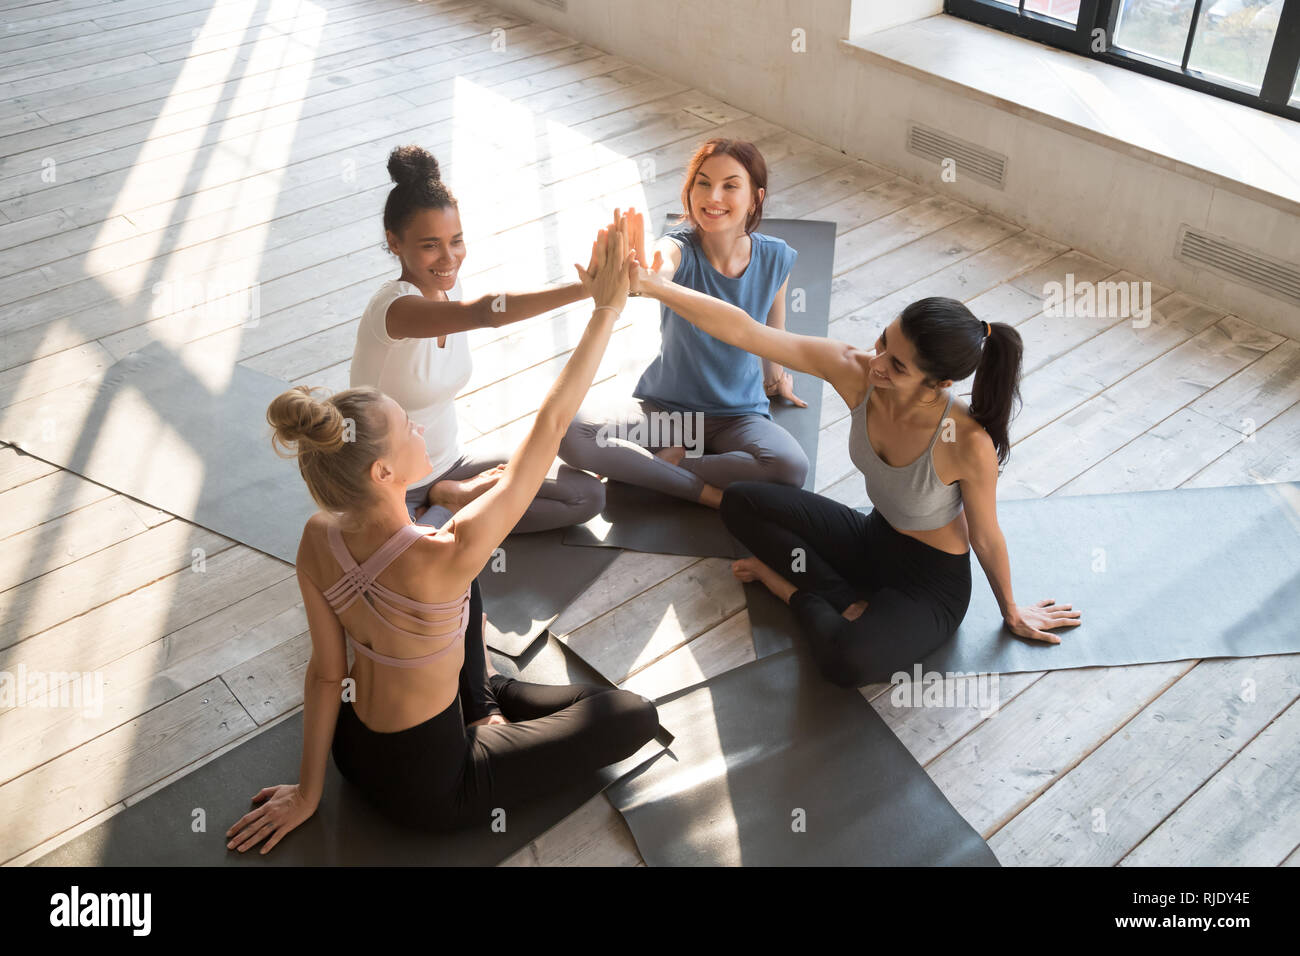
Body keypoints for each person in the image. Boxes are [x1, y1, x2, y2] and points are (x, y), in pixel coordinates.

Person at [226, 216, 657, 853]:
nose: (422, 432)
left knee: (461, 601)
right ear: (382, 471)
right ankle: (484, 712)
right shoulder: (444, 553)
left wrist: (308, 792)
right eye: (409, 429)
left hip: (354, 753)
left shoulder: (318, 536)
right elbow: (552, 420)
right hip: (436, 786)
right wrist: (607, 310)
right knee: (632, 714)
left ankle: (482, 702)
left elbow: (325, 676)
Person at [628, 250, 1082, 687]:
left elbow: (985, 535)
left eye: (897, 366)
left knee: (845, 663)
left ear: (939, 383)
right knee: (741, 502)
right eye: (883, 340)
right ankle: (844, 599)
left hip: (928, 584)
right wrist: (654, 286)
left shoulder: (966, 442)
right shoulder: (856, 370)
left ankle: (789, 588)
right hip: (873, 539)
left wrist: (1012, 609)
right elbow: (746, 331)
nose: (877, 364)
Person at [352, 144, 607, 530]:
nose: (448, 258)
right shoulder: (396, 310)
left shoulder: (448, 287)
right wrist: (588, 289)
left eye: (455, 240)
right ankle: (449, 510)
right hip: (391, 491)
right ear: (394, 243)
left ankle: (449, 504)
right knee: (408, 560)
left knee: (586, 495)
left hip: (452, 465)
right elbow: (487, 312)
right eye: (429, 245)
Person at [559, 138, 810, 510]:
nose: (713, 197)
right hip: (669, 413)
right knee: (572, 435)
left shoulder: (776, 257)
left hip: (738, 417)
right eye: (703, 183)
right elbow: (660, 262)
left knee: (790, 466)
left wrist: (775, 378)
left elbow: (774, 330)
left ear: (755, 198)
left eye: (730, 185)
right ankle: (699, 488)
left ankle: (670, 465)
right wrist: (644, 271)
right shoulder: (679, 248)